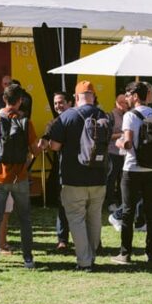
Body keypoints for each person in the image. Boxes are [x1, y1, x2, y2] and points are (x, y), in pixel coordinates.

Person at [41, 81, 108, 272]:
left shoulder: (67, 116)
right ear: (93, 96)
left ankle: (84, 261)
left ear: (76, 97)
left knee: (76, 219)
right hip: (99, 176)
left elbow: (54, 146)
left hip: (73, 177)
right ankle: (92, 256)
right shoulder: (103, 115)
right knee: (94, 217)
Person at [0, 84, 38, 273]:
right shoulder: (26, 122)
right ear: (20, 100)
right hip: (19, 178)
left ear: (4, 99)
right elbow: (35, 150)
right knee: (25, 219)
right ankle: (28, 259)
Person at [111, 81, 152, 265]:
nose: (126, 97)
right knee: (150, 211)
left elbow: (128, 144)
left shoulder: (130, 116)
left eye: (128, 94)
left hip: (132, 168)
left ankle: (125, 253)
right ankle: (150, 253)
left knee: (128, 211)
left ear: (135, 96)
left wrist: (118, 142)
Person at [43, 90, 73, 251]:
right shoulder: (54, 123)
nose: (58, 106)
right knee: (62, 205)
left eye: (61, 102)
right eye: (55, 103)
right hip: (61, 169)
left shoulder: (78, 120)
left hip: (79, 169)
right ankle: (62, 239)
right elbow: (46, 138)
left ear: (70, 102)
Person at [104, 94, 129, 211]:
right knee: (111, 178)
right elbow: (106, 136)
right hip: (112, 152)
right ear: (117, 103)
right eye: (124, 102)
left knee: (122, 179)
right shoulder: (110, 116)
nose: (126, 104)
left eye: (127, 102)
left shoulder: (127, 116)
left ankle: (121, 202)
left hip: (124, 153)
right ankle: (110, 202)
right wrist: (122, 135)